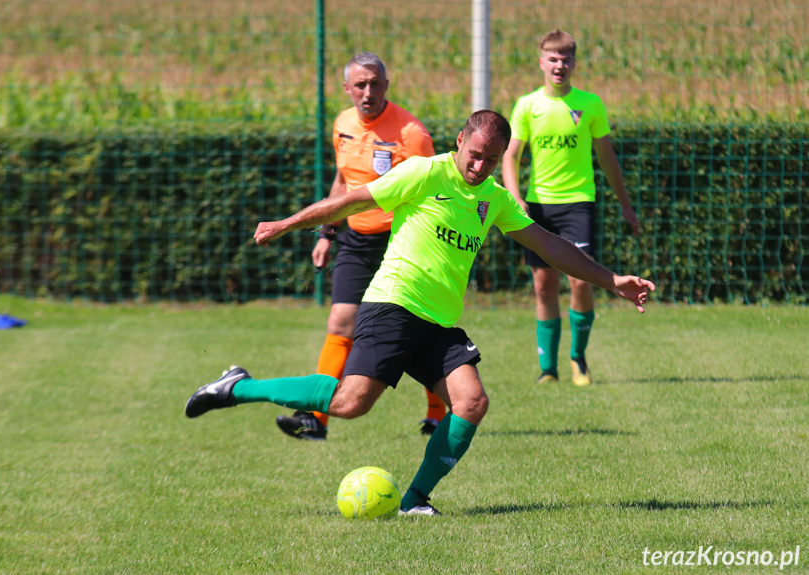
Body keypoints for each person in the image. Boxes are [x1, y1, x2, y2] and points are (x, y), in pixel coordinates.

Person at [184, 110, 655, 515]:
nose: (480, 165)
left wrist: (611, 280)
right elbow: (352, 200)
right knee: (351, 404)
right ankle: (237, 387)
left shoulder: (494, 197)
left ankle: (414, 500)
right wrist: (288, 224)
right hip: (394, 304)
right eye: (475, 153)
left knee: (471, 403)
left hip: (438, 323)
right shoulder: (426, 173)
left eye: (492, 159)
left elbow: (550, 246)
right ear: (460, 141)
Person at [274, 52, 445, 441]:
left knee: (422, 325)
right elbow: (343, 184)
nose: (368, 92)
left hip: (403, 242)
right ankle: (315, 419)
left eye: (376, 84)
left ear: (387, 85)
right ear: (347, 88)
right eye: (360, 85)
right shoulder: (343, 123)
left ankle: (436, 414)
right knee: (339, 324)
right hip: (354, 240)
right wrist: (326, 234)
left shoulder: (412, 134)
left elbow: (435, 194)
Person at [501, 29, 641, 387]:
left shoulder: (590, 104)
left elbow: (607, 158)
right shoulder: (527, 105)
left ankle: (578, 358)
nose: (559, 65)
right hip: (539, 206)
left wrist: (625, 205)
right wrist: (516, 197)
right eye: (552, 58)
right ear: (541, 63)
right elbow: (511, 156)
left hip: (579, 204)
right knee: (544, 286)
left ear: (574, 63)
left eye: (566, 59)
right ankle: (548, 369)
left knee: (581, 281)